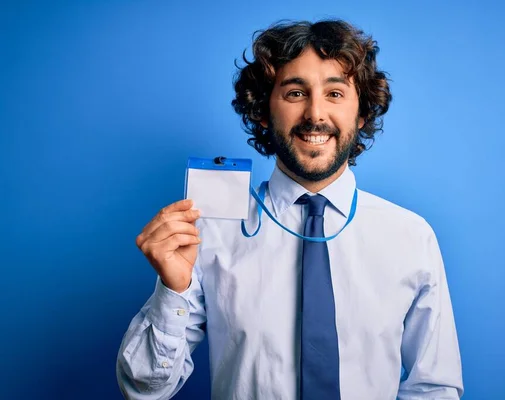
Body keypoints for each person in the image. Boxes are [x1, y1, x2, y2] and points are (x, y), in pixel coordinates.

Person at [116, 19, 463, 399]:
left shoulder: (411, 237)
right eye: (296, 93)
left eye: (335, 94)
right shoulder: (210, 233)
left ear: (361, 113)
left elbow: (435, 387)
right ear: (263, 111)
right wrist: (173, 289)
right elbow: (143, 389)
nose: (316, 115)